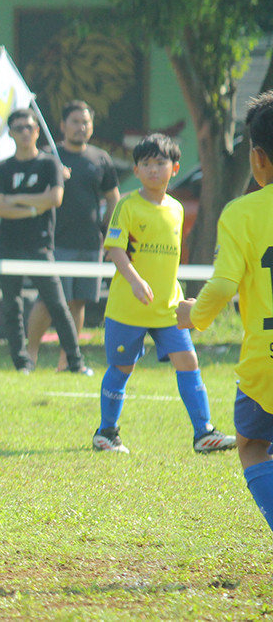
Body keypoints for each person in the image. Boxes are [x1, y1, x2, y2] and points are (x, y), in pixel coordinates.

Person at [94, 133, 235, 454]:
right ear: (136, 169)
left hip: (169, 307)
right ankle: (106, 433)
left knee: (188, 360)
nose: (153, 169)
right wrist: (134, 281)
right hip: (128, 307)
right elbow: (114, 249)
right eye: (146, 164)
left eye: (160, 163)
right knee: (122, 368)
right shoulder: (127, 205)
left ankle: (204, 433)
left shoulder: (177, 209)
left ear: (175, 168)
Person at [177, 91, 273, 529]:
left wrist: (194, 315)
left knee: (252, 444)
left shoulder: (241, 213)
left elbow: (222, 286)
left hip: (264, 360)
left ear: (258, 158)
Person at [0, 108, 92, 375]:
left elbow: (55, 199)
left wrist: (16, 200)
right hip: (8, 245)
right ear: (10, 133)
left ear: (37, 131)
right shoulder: (2, 168)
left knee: (57, 304)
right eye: (19, 128)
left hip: (40, 245)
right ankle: (22, 363)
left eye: (30, 127)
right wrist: (36, 206)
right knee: (12, 306)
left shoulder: (49, 164)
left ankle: (75, 362)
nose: (25, 132)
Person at [26, 101, 120, 370]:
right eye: (75, 122)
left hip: (89, 243)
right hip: (54, 242)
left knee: (78, 302)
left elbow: (112, 198)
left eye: (86, 122)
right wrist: (55, 178)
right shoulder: (47, 157)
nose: (81, 127)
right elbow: (32, 192)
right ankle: (29, 357)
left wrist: (108, 233)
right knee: (47, 302)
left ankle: (67, 360)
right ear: (63, 125)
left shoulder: (100, 158)